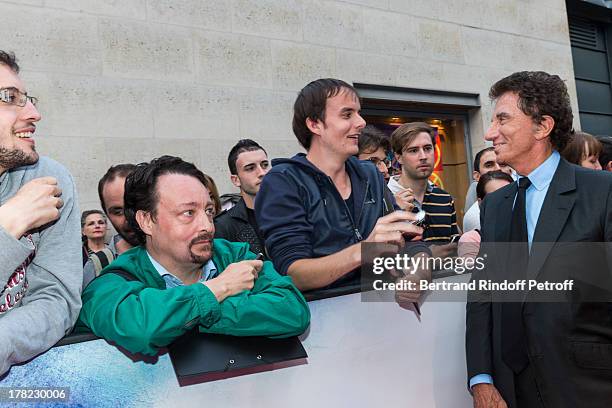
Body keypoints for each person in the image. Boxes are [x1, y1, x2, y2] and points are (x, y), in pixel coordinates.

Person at [466, 71, 612, 408]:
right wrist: (481, 378)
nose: (490, 133)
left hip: (589, 386)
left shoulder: (601, 193)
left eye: (502, 119)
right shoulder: (497, 206)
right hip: (511, 389)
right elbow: (482, 296)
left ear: (542, 126)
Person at [76, 156, 310, 356]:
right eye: (188, 213)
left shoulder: (234, 254)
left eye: (208, 211)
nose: (207, 226)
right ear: (146, 220)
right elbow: (141, 325)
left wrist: (182, 316)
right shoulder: (112, 282)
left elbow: (292, 310)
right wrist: (219, 288)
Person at [255, 78, 430, 293]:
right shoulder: (284, 182)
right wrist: (364, 251)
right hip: (325, 318)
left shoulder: (369, 174)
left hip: (383, 314)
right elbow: (293, 272)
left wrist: (419, 273)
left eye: (358, 113)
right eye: (347, 114)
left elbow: (408, 240)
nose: (361, 122)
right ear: (314, 124)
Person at [0, 50, 82, 374]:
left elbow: (57, 297)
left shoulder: (49, 178)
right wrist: (8, 226)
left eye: (27, 98)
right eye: (9, 98)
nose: (34, 113)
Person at [387, 122, 460, 256]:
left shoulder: (444, 198)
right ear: (398, 157)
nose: (423, 156)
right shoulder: (384, 198)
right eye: (413, 150)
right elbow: (376, 257)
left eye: (427, 148)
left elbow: (453, 245)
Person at [82, 164, 139, 286]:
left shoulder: (181, 254)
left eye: (135, 205)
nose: (129, 218)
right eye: (117, 211)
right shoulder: (98, 264)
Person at [215, 139, 270, 256]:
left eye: (264, 165)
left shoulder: (291, 213)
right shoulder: (223, 226)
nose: (262, 173)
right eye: (250, 168)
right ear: (236, 180)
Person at [457, 171, 513, 259]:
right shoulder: (472, 240)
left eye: (509, 196)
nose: (505, 203)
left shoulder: (529, 230)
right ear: (481, 203)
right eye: (496, 197)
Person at [463, 147, 514, 232]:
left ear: (510, 170)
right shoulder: (474, 216)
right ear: (477, 176)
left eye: (502, 164)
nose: (498, 168)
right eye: (489, 165)